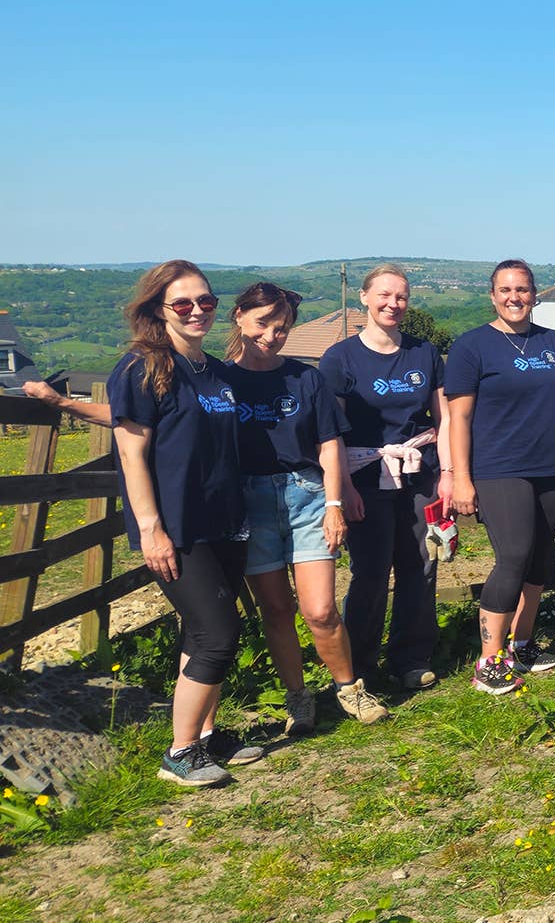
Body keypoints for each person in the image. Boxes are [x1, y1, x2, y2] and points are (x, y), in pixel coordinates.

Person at [108, 261, 264, 786]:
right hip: (175, 527)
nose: (197, 311)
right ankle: (178, 753)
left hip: (222, 520)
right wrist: (151, 529)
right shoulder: (143, 368)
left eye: (206, 301)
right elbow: (132, 455)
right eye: (182, 303)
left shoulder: (211, 369)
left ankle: (204, 736)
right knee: (218, 631)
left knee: (201, 633)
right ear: (158, 309)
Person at [224, 283, 388, 732]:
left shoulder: (304, 378)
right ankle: (299, 698)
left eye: (282, 329)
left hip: (306, 496)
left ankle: (349, 688)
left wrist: (334, 503)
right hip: (249, 503)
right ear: (239, 317)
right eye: (263, 324)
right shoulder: (219, 382)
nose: (272, 336)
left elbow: (329, 444)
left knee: (319, 610)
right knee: (276, 609)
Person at [318, 264, 453, 692]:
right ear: (364, 298)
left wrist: (447, 474)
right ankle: (359, 664)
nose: (393, 304)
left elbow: (444, 417)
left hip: (419, 472)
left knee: (421, 564)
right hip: (364, 474)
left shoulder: (423, 353)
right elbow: (330, 432)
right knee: (371, 571)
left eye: (401, 297)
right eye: (384, 295)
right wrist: (344, 490)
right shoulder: (340, 358)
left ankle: (411, 657)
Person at [446, 260, 555, 694]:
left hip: (554, 467)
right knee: (514, 555)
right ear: (492, 295)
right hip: (500, 468)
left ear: (534, 294)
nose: (514, 297)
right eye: (505, 290)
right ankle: (489, 660)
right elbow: (458, 418)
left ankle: (522, 644)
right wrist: (461, 477)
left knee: (540, 559)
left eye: (522, 289)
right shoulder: (472, 346)